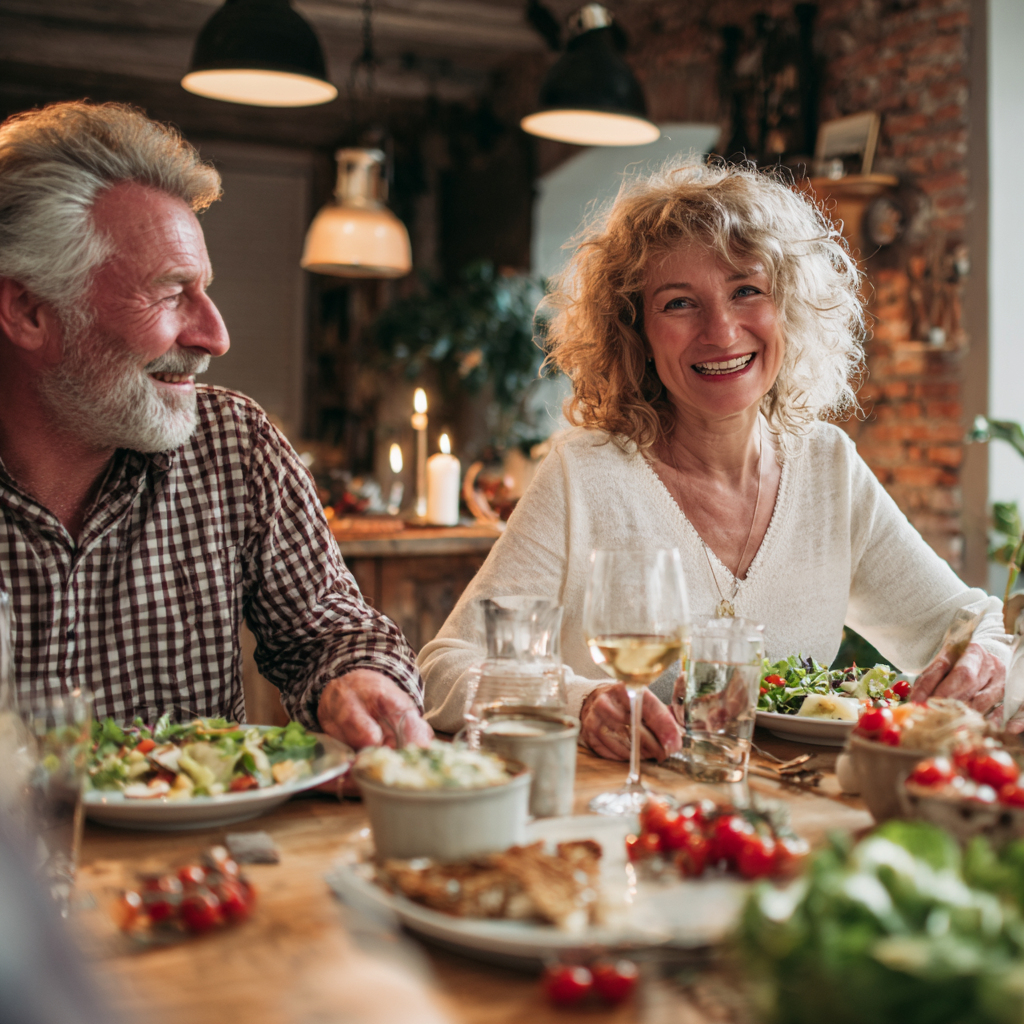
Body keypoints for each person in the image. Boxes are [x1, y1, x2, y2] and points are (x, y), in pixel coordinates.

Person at [419, 158, 1013, 757]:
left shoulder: (827, 466)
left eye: (747, 291)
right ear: (637, 331)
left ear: (788, 307)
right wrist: (579, 699)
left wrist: (987, 664)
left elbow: (970, 624)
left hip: (790, 821)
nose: (722, 331)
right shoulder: (585, 475)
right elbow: (445, 667)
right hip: (617, 827)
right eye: (680, 303)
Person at [0, 101, 431, 751]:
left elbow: (335, 635)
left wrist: (357, 682)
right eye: (172, 293)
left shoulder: (233, 443)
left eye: (204, 290)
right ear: (29, 310)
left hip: (200, 853)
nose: (216, 336)